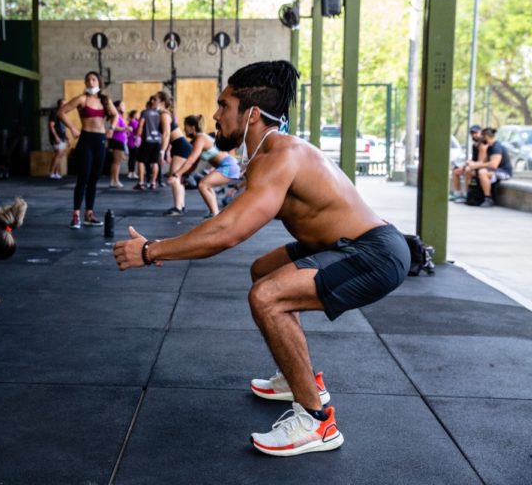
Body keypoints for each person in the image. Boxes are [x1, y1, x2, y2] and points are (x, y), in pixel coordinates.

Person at [113, 61, 410, 457]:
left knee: (267, 297)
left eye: (223, 105)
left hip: (373, 253)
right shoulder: (273, 151)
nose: (216, 115)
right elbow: (229, 226)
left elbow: (226, 232)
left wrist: (152, 251)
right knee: (263, 271)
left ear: (251, 113)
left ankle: (316, 421)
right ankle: (298, 378)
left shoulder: (278, 155)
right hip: (343, 243)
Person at [58, 71, 118, 229]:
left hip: (100, 141)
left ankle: (89, 214)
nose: (90, 82)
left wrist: (111, 127)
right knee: (83, 178)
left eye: (93, 79)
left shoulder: (105, 100)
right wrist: (72, 128)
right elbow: (61, 112)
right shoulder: (82, 99)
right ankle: (76, 214)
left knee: (94, 180)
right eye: (88, 80)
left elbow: (115, 114)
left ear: (99, 82)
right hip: (86, 140)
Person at [169, 115, 240, 218]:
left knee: (203, 184)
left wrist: (177, 174)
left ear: (192, 127)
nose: (184, 129)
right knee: (206, 184)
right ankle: (216, 213)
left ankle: (214, 214)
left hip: (228, 166)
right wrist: (185, 175)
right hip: (225, 166)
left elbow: (191, 160)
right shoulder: (197, 141)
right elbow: (195, 163)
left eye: (185, 126)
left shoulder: (200, 138)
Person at [152, 92, 193, 215]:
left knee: (174, 177)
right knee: (177, 178)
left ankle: (178, 208)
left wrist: (162, 152)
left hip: (181, 146)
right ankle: (181, 206)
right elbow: (170, 136)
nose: (152, 101)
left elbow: (166, 134)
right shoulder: (164, 114)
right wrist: (168, 151)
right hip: (178, 146)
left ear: (162, 102)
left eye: (155, 99)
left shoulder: (164, 114)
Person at [465, 127, 513, 208]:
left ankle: (488, 198)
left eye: (482, 137)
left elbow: (493, 165)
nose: (480, 139)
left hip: (504, 172)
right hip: (494, 170)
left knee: (482, 172)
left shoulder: (496, 147)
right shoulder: (488, 146)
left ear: (486, 136)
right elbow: (483, 161)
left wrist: (476, 165)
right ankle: (470, 196)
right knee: (471, 170)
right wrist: (481, 150)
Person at [450, 124, 483, 202]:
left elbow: (482, 161)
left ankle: (468, 195)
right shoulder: (474, 145)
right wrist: (464, 165)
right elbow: (474, 159)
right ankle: (458, 194)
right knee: (455, 170)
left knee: (468, 170)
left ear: (480, 133)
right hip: (475, 166)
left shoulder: (483, 144)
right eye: (472, 133)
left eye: (476, 133)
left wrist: (467, 166)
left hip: (481, 168)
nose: (474, 135)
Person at [134, 97, 161, 190]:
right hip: (157, 141)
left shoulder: (145, 112)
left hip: (147, 140)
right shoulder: (160, 114)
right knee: (154, 162)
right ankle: (153, 183)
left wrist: (138, 136)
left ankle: (141, 183)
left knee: (141, 161)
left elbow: (141, 125)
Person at [108, 100, 129, 188]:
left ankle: (115, 180)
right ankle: (114, 180)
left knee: (118, 162)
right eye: (122, 105)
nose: (124, 106)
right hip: (117, 140)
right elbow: (114, 128)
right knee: (116, 162)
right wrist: (125, 128)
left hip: (120, 140)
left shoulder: (120, 116)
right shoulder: (115, 116)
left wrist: (126, 130)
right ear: (117, 107)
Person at [48, 99, 68, 179]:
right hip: (57, 138)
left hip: (62, 137)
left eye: (66, 104)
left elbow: (63, 127)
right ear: (59, 105)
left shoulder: (63, 114)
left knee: (60, 155)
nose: (65, 106)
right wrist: (56, 137)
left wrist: (67, 137)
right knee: (58, 154)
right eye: (63, 104)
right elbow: (51, 125)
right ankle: (51, 172)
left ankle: (56, 172)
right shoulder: (55, 113)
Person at [126, 109, 140, 179]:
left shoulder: (132, 122)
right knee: (133, 157)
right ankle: (132, 172)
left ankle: (130, 172)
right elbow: (138, 130)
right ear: (134, 115)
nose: (138, 115)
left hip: (131, 141)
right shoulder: (134, 122)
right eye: (137, 114)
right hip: (133, 142)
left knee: (132, 157)